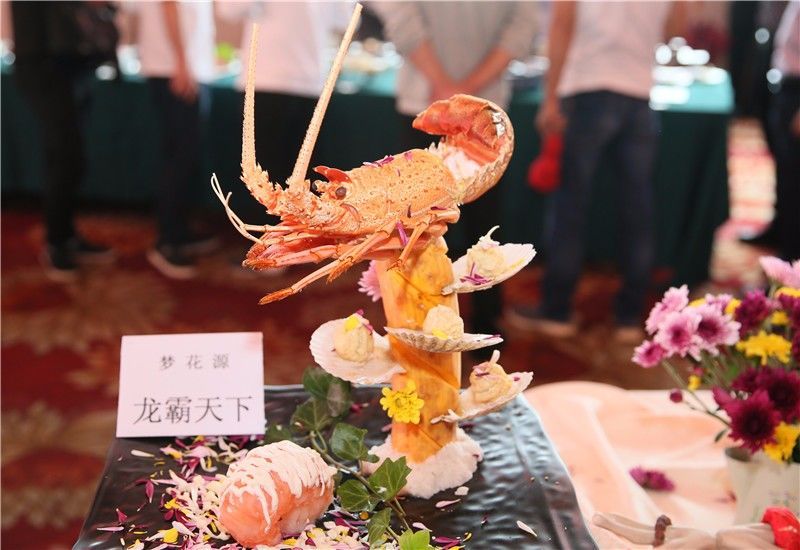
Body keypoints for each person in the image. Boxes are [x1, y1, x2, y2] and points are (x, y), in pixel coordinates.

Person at [506, 1, 686, 342]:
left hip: (587, 86)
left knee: (570, 206)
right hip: (638, 91)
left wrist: (550, 98)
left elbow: (561, 25)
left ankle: (556, 311)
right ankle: (629, 317)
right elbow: (673, 30)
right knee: (637, 209)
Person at [373, 1, 539, 336]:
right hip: (467, 106)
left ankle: (420, 320)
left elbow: (402, 20)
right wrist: (466, 89)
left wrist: (448, 88)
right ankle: (484, 323)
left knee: (422, 221)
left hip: (433, 101)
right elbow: (523, 27)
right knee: (467, 222)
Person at [217, 1, 351, 228]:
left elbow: (345, 18)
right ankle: (261, 241)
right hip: (265, 80)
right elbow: (228, 9)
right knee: (261, 175)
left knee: (306, 179)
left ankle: (303, 240)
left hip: (309, 83)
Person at [11, 1, 118, 281]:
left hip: (71, 67)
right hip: (45, 69)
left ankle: (66, 236)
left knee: (69, 159)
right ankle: (57, 242)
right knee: (65, 158)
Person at [131, 1, 218, 279]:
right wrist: (182, 62)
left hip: (184, 67)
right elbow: (169, 5)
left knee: (184, 155)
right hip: (174, 69)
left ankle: (179, 231)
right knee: (179, 155)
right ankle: (167, 240)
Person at [766, 0, 800, 261]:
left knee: (795, 181)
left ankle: (791, 259)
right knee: (785, 171)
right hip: (787, 84)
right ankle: (778, 233)